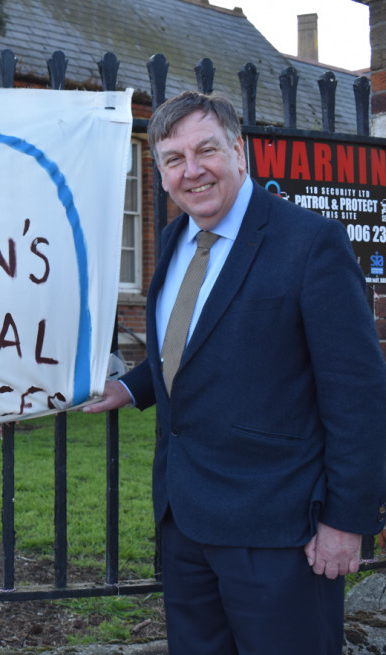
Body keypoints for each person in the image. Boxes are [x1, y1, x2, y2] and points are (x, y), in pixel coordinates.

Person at [85, 91, 386, 654]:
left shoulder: (310, 244)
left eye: (206, 151)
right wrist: (128, 386)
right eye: (174, 159)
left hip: (280, 532)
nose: (192, 171)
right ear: (161, 172)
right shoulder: (176, 239)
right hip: (185, 522)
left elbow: (359, 394)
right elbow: (196, 346)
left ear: (240, 152)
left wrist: (348, 522)